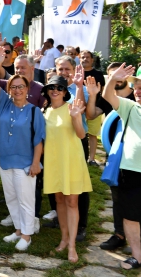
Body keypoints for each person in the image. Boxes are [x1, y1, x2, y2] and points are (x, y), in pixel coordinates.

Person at [0, 46, 45, 251]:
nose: (17, 90)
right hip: (5, 160)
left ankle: (27, 235)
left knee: (26, 199)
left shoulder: (34, 111)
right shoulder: (4, 103)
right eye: (14, 87)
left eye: (21, 87)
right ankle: (19, 230)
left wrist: (35, 163)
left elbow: (39, 140)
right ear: (10, 89)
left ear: (27, 89)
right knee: (11, 198)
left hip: (25, 163)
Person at [41, 75, 92, 263]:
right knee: (59, 199)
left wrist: (76, 117)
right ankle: (63, 239)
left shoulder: (72, 108)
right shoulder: (44, 111)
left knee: (72, 201)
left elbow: (80, 134)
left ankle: (72, 245)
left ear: (65, 92)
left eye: (60, 88)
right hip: (53, 161)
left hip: (71, 160)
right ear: (46, 91)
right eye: (52, 87)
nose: (56, 90)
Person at [101, 63, 141, 270]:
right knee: (130, 216)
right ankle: (137, 256)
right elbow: (108, 95)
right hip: (131, 172)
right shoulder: (131, 107)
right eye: (137, 86)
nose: (138, 90)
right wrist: (113, 78)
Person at [80, 50, 105, 165]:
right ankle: (80, 155)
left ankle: (91, 158)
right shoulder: (77, 73)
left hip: (94, 108)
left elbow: (103, 92)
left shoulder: (99, 74)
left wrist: (98, 107)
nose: (85, 59)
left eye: (87, 57)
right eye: (83, 57)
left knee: (92, 134)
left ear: (92, 59)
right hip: (78, 108)